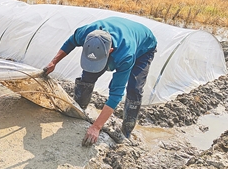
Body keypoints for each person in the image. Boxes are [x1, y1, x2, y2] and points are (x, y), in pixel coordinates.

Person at [43, 16, 157, 146]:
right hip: (118, 32)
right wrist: (53, 62)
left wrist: (96, 127)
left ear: (110, 51)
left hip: (144, 47)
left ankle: (126, 131)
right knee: (88, 75)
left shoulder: (126, 54)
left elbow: (116, 94)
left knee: (134, 89)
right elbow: (70, 42)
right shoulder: (86, 33)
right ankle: (79, 109)